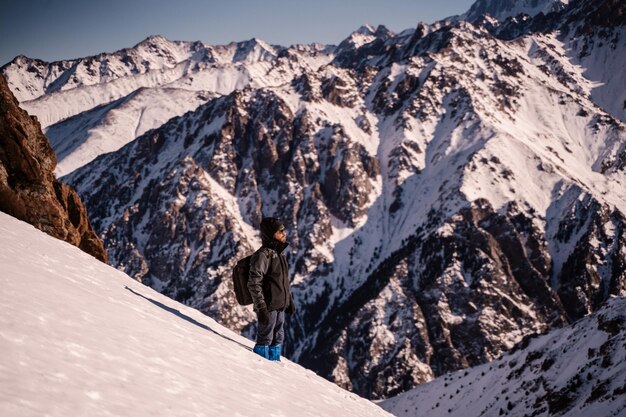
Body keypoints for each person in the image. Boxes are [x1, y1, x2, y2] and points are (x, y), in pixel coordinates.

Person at [247, 217, 296, 361]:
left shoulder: (280, 255)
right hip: (268, 306)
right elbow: (254, 282)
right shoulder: (263, 255)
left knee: (278, 336)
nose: (284, 234)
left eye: (284, 230)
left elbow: (283, 282)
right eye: (280, 231)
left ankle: (275, 366)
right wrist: (261, 307)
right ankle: (260, 365)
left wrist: (289, 301)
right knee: (265, 338)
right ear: (270, 234)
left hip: (280, 305)